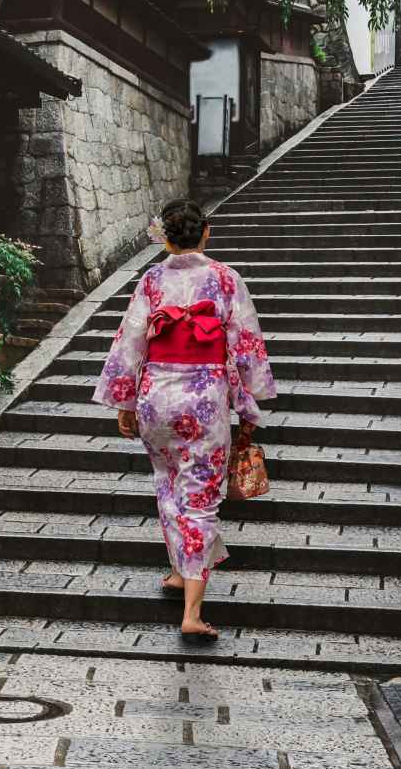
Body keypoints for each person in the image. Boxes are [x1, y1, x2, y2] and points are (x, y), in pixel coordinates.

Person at [95, 197, 275, 643]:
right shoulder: (224, 279)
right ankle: (192, 613)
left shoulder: (152, 280)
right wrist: (251, 394)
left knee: (167, 482)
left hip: (156, 396)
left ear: (165, 237)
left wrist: (125, 402)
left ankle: (179, 572)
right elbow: (246, 341)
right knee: (201, 498)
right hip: (204, 400)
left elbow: (130, 342)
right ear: (206, 232)